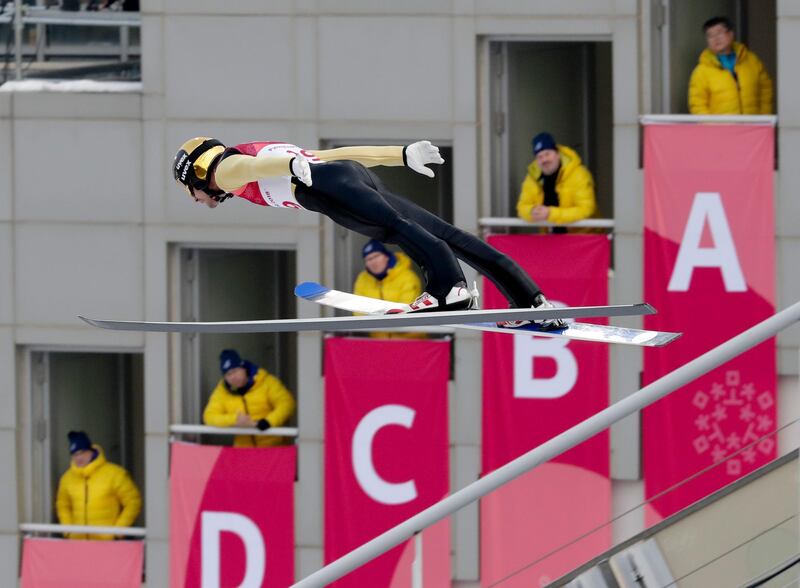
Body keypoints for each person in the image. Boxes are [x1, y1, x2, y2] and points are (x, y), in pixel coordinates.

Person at [172, 137, 564, 328]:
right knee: (444, 232)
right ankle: (530, 300)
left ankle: (449, 290)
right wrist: (400, 154)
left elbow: (253, 169)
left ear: (200, 174)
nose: (193, 199)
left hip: (323, 188)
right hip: (343, 174)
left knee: (396, 229)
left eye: (189, 190)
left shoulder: (227, 170)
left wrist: (288, 165)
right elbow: (332, 155)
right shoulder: (249, 154)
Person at [55, 431, 142, 540]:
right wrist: (68, 531)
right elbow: (62, 505)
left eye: (82, 452)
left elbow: (133, 502)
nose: (78, 458)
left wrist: (117, 532)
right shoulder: (67, 478)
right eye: (74, 454)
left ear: (91, 451)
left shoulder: (115, 474)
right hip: (78, 544)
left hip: (107, 544)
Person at [203, 349, 296, 447]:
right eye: (228, 374)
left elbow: (287, 403)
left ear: (243, 368)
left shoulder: (266, 382)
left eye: (235, 371)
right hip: (244, 453)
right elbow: (209, 416)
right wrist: (235, 420)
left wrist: (268, 422)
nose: (232, 377)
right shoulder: (222, 391)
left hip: (274, 448)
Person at [688, 16, 773, 115]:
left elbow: (766, 90)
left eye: (719, 32)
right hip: (722, 129)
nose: (716, 38)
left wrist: (763, 118)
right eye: (710, 35)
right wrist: (711, 127)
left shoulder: (751, 60)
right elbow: (697, 104)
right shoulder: (701, 71)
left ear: (731, 34)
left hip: (753, 126)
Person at [516, 132, 597, 233]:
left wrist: (551, 214)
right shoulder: (532, 178)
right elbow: (522, 207)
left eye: (547, 154)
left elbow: (587, 209)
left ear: (558, 154)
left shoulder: (579, 174)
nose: (544, 159)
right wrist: (532, 211)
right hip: (549, 240)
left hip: (582, 240)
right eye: (539, 157)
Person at [354, 239, 424, 339]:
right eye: (368, 259)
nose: (373, 262)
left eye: (376, 256)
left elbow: (405, 314)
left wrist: (374, 318)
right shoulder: (362, 279)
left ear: (386, 256)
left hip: (409, 342)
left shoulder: (407, 277)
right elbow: (358, 311)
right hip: (378, 344)